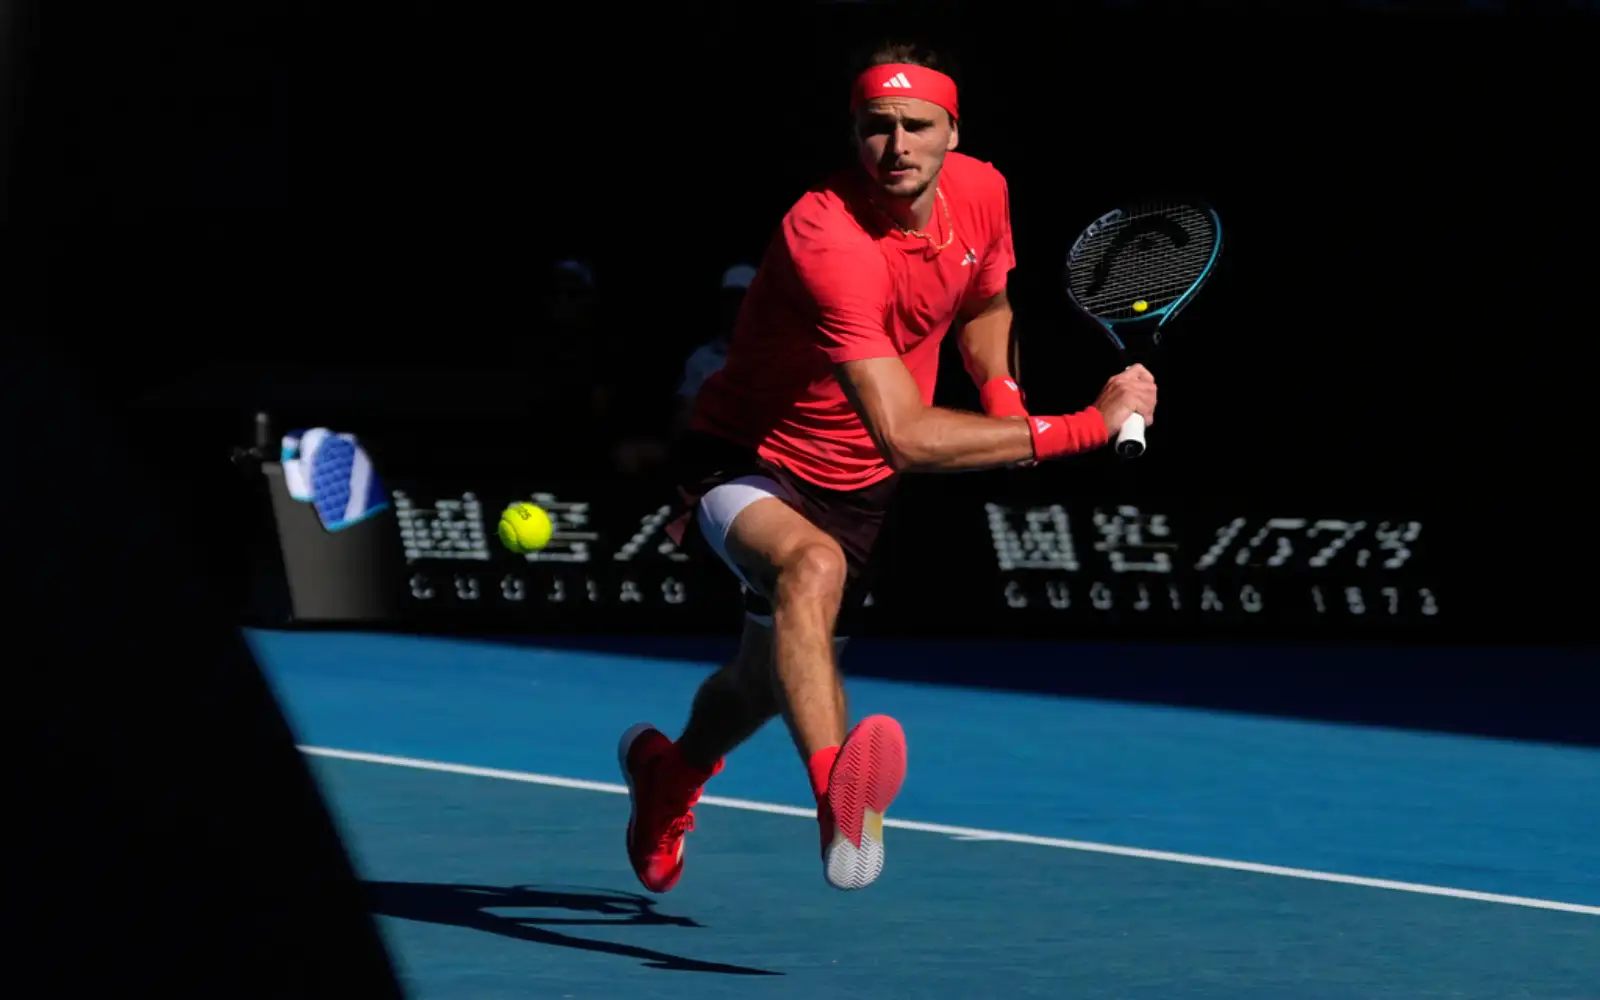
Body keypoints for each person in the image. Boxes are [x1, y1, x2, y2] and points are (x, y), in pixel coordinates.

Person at [619, 42, 1158, 894]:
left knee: (760, 688)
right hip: (748, 457)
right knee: (810, 564)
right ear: (853, 132)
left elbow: (987, 300)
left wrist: (1006, 402)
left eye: (917, 126)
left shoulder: (983, 192)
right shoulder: (825, 236)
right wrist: (1085, 427)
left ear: (952, 134)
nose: (897, 145)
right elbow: (905, 434)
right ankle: (840, 803)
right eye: (878, 127)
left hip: (858, 486)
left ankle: (669, 775)